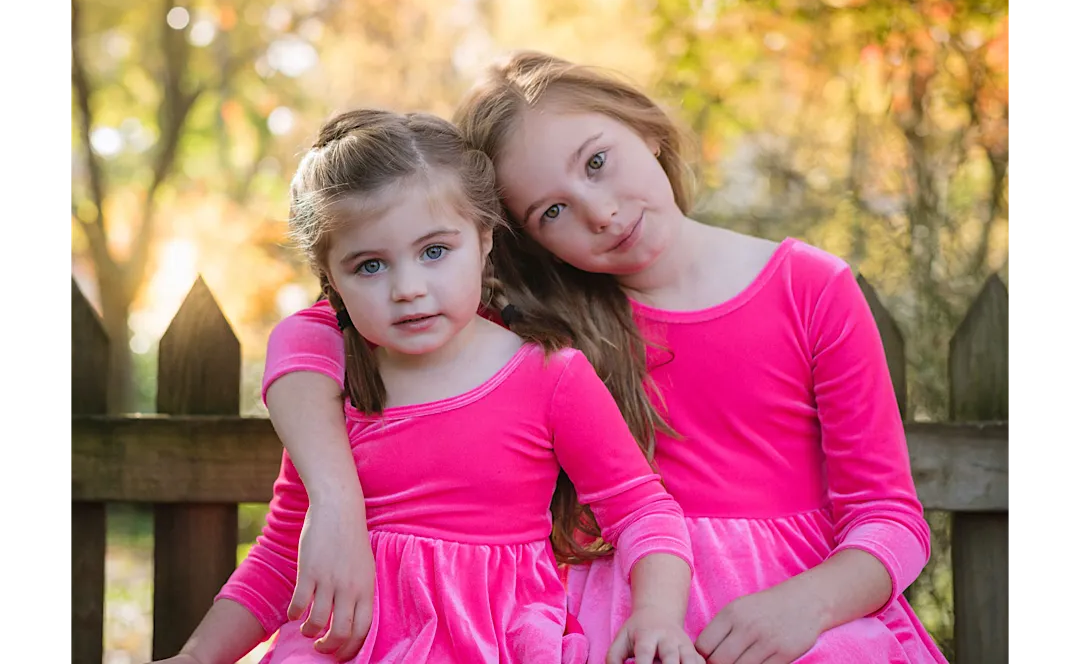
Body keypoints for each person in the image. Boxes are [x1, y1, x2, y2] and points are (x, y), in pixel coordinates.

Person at [255, 51, 949, 664]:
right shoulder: (532, 319)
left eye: (597, 162)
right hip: (610, 604)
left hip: (791, 598)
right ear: (520, 238)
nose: (598, 212)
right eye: (551, 211)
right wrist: (337, 503)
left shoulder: (810, 286)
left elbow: (891, 516)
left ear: (644, 127)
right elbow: (312, 331)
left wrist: (810, 607)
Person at [147, 108, 702, 664]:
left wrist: (656, 615)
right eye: (369, 266)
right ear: (331, 278)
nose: (408, 289)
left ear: (485, 240)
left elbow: (642, 511)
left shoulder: (548, 374)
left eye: (435, 251)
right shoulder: (336, 396)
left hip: (493, 645)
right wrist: (197, 657)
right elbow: (280, 556)